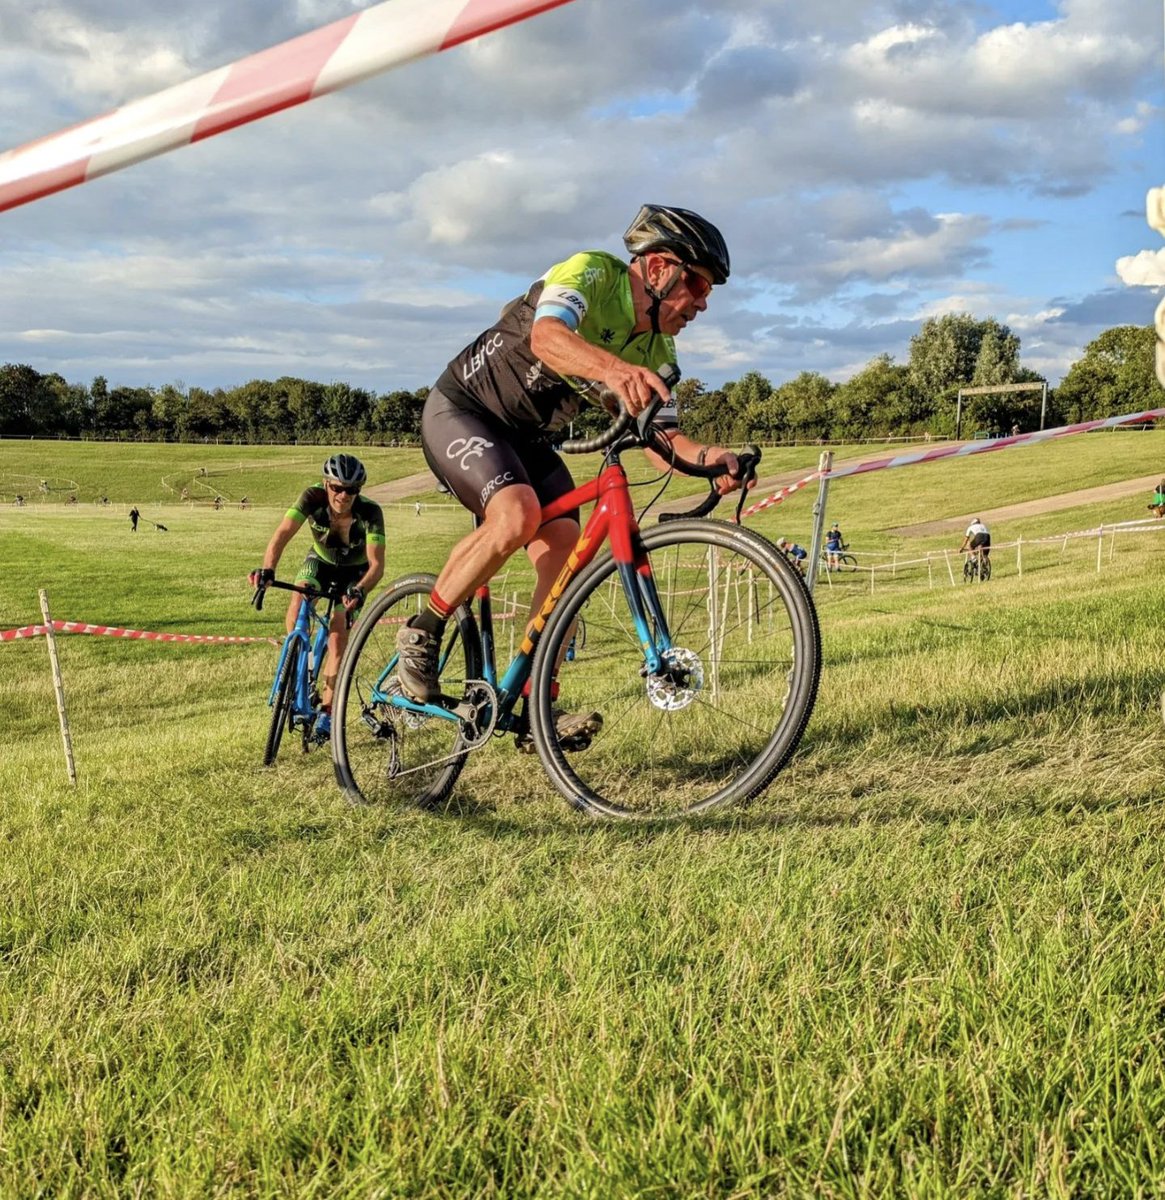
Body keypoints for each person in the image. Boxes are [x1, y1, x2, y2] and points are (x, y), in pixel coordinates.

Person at [392, 204, 746, 751]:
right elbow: (547, 337)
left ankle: (536, 702)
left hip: (530, 440)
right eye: (697, 284)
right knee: (516, 515)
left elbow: (665, 442)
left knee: (563, 552)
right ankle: (424, 628)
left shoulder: (659, 347)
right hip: (465, 410)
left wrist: (711, 461)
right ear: (656, 269)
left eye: (709, 292)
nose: (702, 302)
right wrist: (614, 369)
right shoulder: (592, 272)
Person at [249, 454, 385, 739]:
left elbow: (376, 565)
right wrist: (268, 570)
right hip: (319, 563)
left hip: (354, 574)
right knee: (298, 604)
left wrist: (360, 590)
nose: (343, 495)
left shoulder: (370, 512)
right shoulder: (312, 497)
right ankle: (301, 663)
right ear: (326, 484)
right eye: (337, 487)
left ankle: (327, 712)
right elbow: (282, 533)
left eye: (352, 489)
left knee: (338, 638)